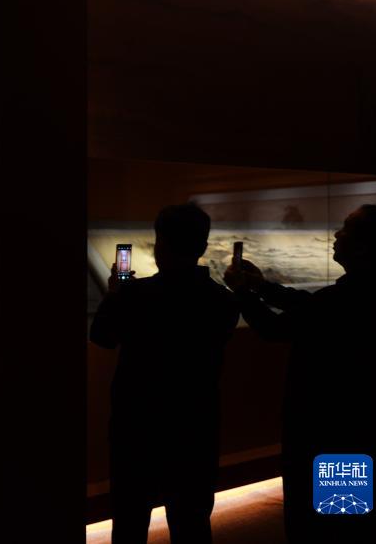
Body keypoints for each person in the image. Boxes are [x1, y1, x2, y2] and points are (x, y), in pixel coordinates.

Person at [224, 204, 376, 544]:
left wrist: (244, 292)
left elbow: (275, 328)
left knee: (325, 526)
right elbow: (311, 306)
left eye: (346, 228)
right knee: (350, 518)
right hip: (357, 427)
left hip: (326, 431)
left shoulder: (344, 300)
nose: (336, 234)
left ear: (363, 247)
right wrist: (262, 286)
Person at [90, 203, 239, 544]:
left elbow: (102, 337)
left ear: (160, 245)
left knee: (130, 521)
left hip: (137, 426)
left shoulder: (135, 295)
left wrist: (114, 295)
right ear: (202, 245)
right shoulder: (223, 300)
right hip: (195, 425)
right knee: (192, 521)